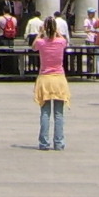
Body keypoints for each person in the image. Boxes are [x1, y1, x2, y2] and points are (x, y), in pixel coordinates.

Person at [33, 14, 71, 150]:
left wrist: (40, 33)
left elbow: (33, 46)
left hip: (45, 78)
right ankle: (59, 142)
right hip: (59, 78)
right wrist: (56, 31)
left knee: (45, 112)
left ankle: (44, 142)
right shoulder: (60, 42)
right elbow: (64, 40)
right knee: (59, 114)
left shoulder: (41, 43)